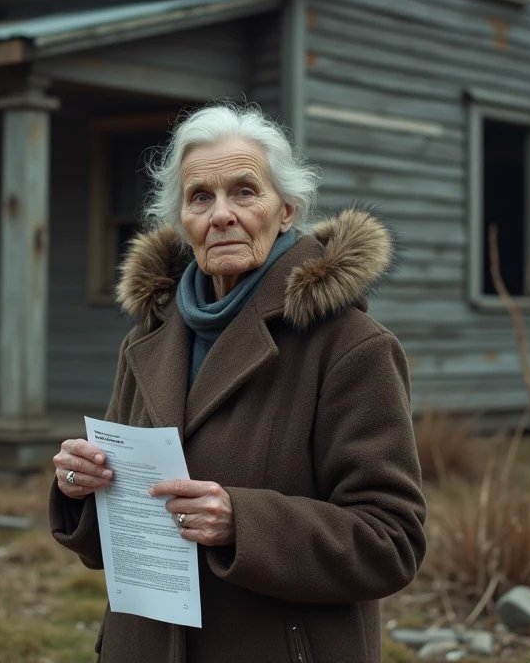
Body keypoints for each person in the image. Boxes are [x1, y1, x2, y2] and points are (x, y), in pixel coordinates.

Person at [49, 101, 426, 662]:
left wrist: (242, 523)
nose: (221, 213)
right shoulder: (146, 342)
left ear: (286, 211)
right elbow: (114, 541)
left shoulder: (350, 346)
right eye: (201, 197)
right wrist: (80, 490)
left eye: (244, 192)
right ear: (183, 221)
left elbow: (391, 540)